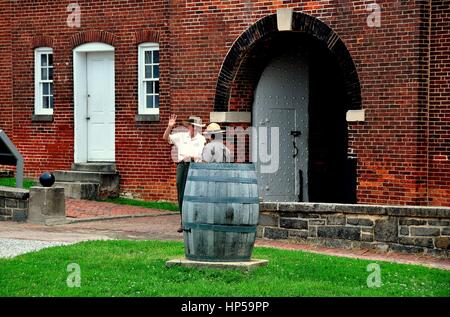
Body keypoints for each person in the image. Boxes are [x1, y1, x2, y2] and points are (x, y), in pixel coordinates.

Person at [163, 114, 206, 233]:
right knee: (181, 193)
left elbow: (201, 155)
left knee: (194, 193)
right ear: (190, 127)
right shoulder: (181, 136)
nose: (196, 129)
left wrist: (192, 157)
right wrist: (169, 126)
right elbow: (166, 138)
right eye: (194, 126)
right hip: (182, 166)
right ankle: (183, 221)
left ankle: (195, 220)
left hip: (194, 166)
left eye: (198, 127)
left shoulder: (201, 139)